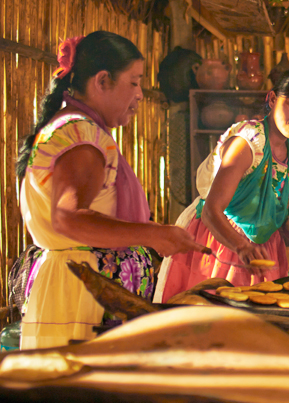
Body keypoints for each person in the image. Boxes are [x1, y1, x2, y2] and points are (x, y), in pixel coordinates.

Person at [16, 32, 205, 349]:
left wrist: (153, 230)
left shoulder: (74, 128)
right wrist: (148, 235)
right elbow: (69, 219)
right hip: (85, 297)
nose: (141, 94)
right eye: (134, 82)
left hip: (81, 287)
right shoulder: (81, 136)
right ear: (102, 81)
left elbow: (92, 216)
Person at [154, 68, 289, 303]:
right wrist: (241, 246)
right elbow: (211, 211)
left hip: (261, 250)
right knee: (213, 321)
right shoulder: (247, 143)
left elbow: (285, 214)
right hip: (220, 240)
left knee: (254, 325)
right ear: (272, 99)